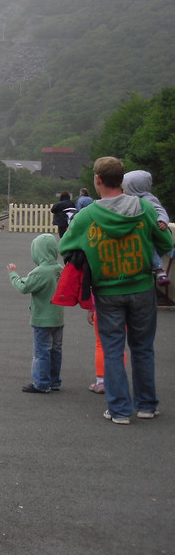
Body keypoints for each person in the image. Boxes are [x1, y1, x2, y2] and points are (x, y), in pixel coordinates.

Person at [59, 156, 174, 424]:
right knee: (143, 348)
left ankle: (120, 410)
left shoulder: (88, 215)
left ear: (97, 180)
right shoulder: (145, 209)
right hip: (143, 288)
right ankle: (146, 405)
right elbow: (166, 242)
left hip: (107, 291)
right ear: (121, 180)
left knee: (112, 348)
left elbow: (65, 246)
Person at [7, 233, 64, 393]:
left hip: (42, 319)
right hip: (58, 317)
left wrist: (13, 274)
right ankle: (54, 381)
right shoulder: (59, 269)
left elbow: (24, 287)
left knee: (41, 351)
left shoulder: (40, 272)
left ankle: (41, 383)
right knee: (56, 350)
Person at [122, 169, 172, 286]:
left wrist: (162, 220)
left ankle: (160, 270)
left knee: (151, 247)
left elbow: (161, 210)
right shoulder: (131, 200)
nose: (123, 190)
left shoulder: (148, 199)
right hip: (139, 233)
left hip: (147, 233)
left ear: (134, 188)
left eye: (125, 188)